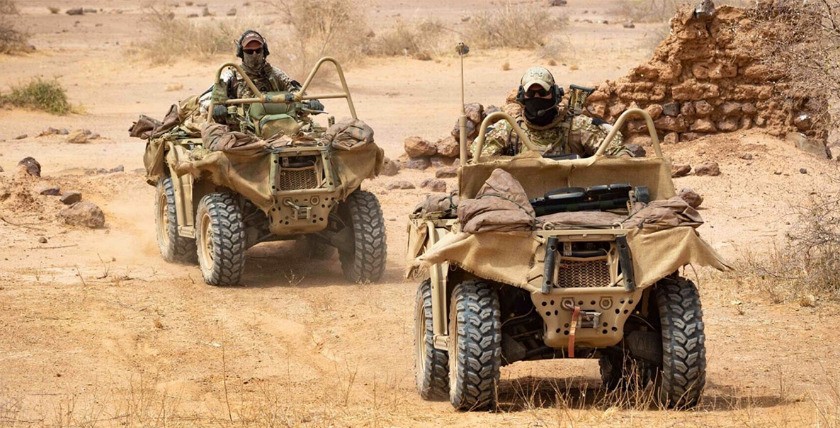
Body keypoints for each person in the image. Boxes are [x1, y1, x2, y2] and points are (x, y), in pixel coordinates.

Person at [477, 66, 628, 158]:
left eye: (542, 92)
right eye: (531, 93)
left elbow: (616, 152)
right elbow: (480, 161)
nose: (537, 97)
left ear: (555, 94)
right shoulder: (508, 129)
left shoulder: (577, 126)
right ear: (522, 97)